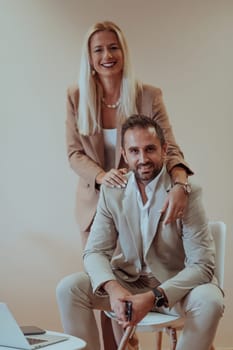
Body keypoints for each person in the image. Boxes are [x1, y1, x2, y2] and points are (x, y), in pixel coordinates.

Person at [65, 20, 192, 349]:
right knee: (106, 287)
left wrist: (180, 184)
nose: (107, 55)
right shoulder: (76, 96)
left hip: (139, 203)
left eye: (113, 47)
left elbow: (170, 147)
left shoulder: (148, 95)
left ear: (123, 52)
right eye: (99, 50)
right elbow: (74, 153)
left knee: (139, 280)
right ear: (89, 58)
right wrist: (102, 175)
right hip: (95, 207)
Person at [57, 115, 224, 350]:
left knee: (211, 300)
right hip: (128, 284)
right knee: (69, 288)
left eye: (150, 149)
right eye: (134, 151)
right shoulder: (112, 191)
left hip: (173, 287)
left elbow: (203, 265)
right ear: (125, 155)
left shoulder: (186, 192)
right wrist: (113, 289)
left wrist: (154, 296)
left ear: (164, 149)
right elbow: (95, 251)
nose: (143, 159)